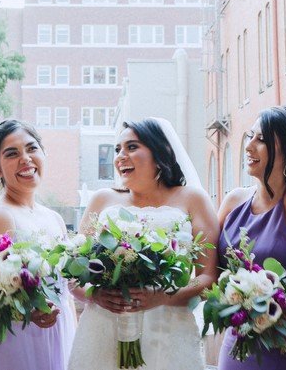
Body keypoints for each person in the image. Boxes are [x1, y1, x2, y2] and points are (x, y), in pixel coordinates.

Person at [67, 117, 219, 370]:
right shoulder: (102, 200)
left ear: (160, 153)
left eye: (132, 147)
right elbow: (74, 272)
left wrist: (164, 296)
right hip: (104, 329)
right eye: (118, 149)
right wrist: (96, 294)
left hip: (167, 332)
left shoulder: (192, 199)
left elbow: (208, 278)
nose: (120, 156)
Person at [216, 106, 286, 370]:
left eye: (262, 140)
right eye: (250, 136)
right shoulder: (233, 201)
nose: (249, 146)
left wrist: (269, 318)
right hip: (238, 345)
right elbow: (210, 272)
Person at [0, 119, 75, 370]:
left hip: (61, 332)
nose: (25, 159)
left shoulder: (54, 218)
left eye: (32, 148)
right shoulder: (0, 216)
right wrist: (25, 312)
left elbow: (66, 291)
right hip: (20, 340)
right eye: (12, 154)